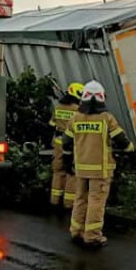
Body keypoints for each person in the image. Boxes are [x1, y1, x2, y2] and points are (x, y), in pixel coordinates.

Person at [62, 81, 134, 248]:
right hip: (100, 170)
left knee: (80, 198)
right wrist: (132, 150)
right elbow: (122, 141)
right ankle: (93, 236)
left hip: (80, 168)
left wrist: (67, 160)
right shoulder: (106, 118)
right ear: (102, 98)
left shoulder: (76, 118)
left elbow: (65, 142)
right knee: (96, 201)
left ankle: (76, 231)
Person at [49, 82, 84, 210]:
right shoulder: (78, 110)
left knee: (58, 171)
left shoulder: (58, 108)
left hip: (58, 143)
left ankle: (54, 200)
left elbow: (52, 124)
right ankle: (68, 204)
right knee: (72, 173)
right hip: (73, 144)